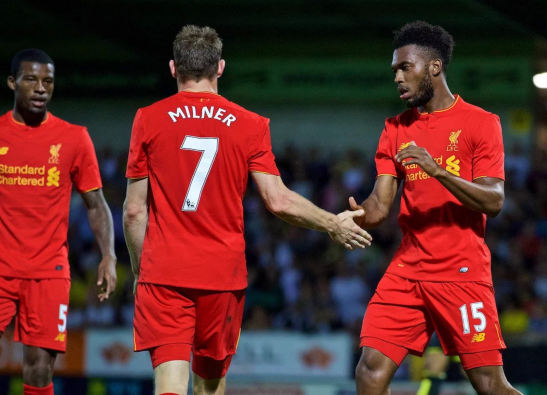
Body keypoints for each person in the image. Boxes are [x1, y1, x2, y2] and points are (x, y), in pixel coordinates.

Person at [123, 25, 372, 395]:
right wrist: (331, 223)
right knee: (210, 384)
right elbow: (278, 200)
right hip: (222, 275)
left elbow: (133, 212)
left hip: (164, 273)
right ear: (220, 68)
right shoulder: (251, 125)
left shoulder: (148, 118)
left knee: (170, 384)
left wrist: (141, 270)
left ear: (173, 68)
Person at [350, 21, 522, 395]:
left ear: (434, 67)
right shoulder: (394, 128)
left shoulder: (481, 123)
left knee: (491, 385)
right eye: (394, 70)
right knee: (369, 370)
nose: (397, 76)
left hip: (461, 272)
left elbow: (494, 200)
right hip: (407, 271)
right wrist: (354, 216)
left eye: (404, 67)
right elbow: (380, 205)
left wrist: (436, 170)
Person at [0, 49, 117, 395]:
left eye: (47, 81)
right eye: (31, 80)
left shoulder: (74, 138)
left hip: (48, 272)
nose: (40, 88)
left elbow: (96, 205)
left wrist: (108, 255)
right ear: (12, 83)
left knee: (38, 368)